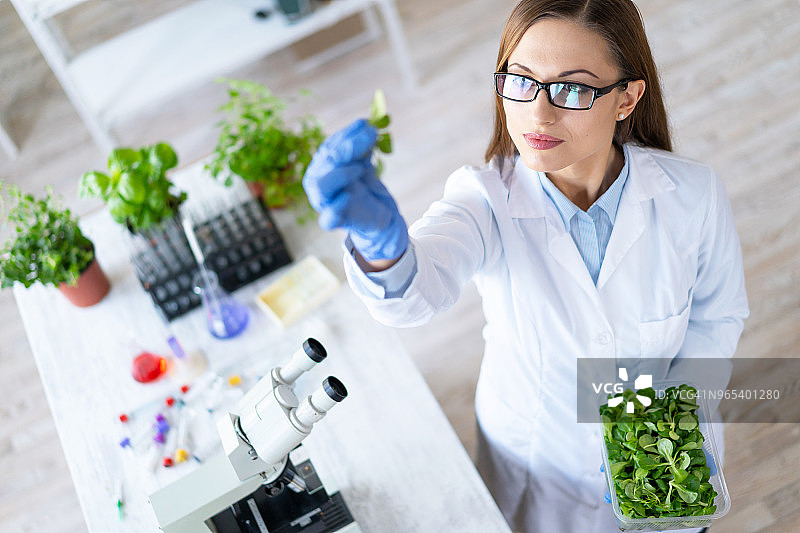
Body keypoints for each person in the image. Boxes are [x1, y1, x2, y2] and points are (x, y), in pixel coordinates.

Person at [302, 0, 748, 531]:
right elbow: (419, 289)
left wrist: (660, 428)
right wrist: (380, 245)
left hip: (660, 458)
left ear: (627, 97)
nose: (538, 114)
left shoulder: (693, 194)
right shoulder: (484, 199)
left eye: (573, 88)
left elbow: (716, 319)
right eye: (522, 80)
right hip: (538, 460)